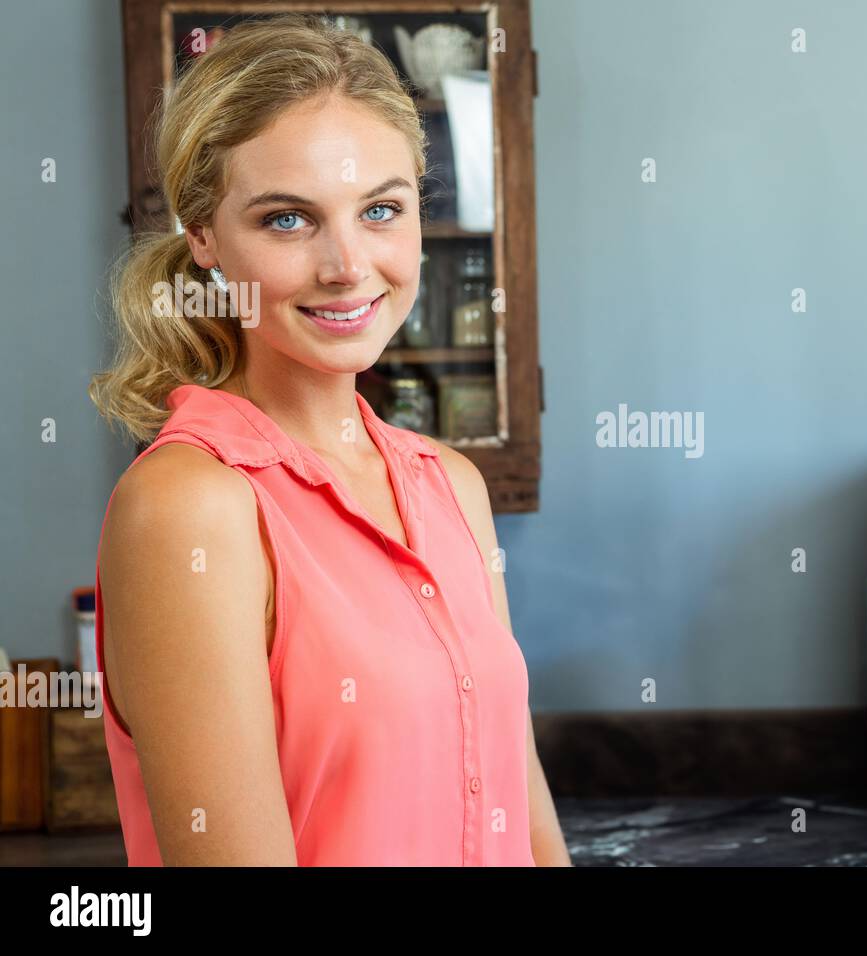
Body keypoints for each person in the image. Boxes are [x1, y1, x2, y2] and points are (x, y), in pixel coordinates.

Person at [88, 14, 569, 866]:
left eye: (381, 209)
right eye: (287, 221)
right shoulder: (191, 509)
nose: (348, 264)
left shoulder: (451, 484)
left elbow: (522, 811)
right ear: (202, 236)